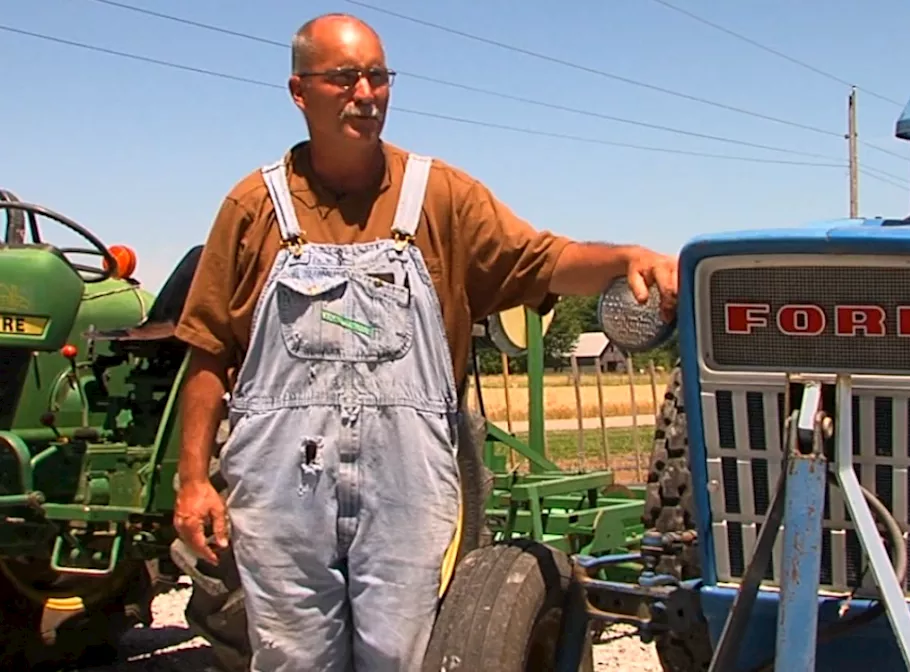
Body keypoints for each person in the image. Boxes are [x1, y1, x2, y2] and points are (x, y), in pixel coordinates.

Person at [170, 12, 678, 671]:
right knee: (292, 659)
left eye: (378, 77)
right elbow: (207, 348)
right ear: (300, 92)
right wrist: (191, 480)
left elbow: (543, 261)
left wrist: (624, 258)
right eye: (345, 77)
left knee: (403, 658)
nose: (366, 93)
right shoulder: (254, 207)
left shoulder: (440, 197)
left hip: (404, 486)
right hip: (283, 489)